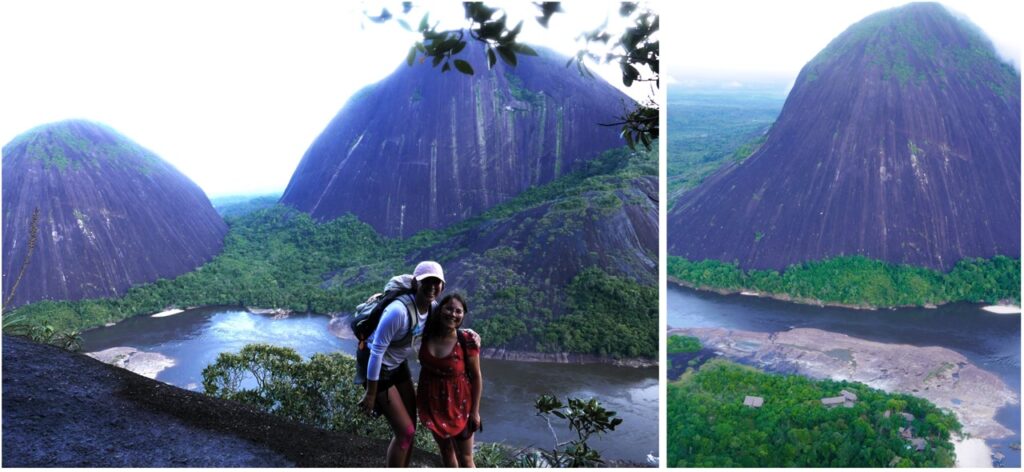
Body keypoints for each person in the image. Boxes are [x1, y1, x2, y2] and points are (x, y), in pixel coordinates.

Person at [417, 293, 483, 468]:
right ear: (440, 310)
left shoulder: (467, 341)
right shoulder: (426, 332)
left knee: (466, 458)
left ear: (463, 315)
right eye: (448, 309)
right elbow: (414, 287)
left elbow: (476, 377)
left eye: (458, 311)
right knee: (446, 452)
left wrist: (475, 412)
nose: (453, 314)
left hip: (460, 407)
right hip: (433, 406)